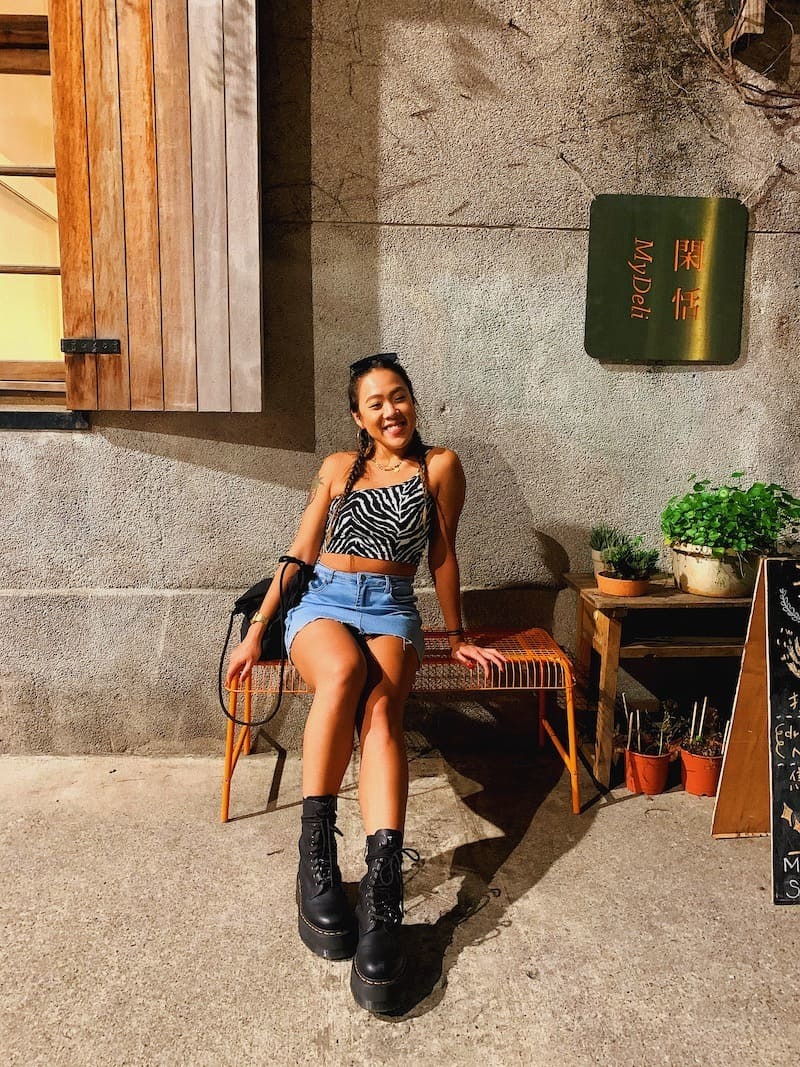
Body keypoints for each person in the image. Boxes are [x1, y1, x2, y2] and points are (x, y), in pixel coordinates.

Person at [225, 353, 506, 1014]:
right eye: (375, 402)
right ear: (359, 417)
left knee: (381, 715)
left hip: (390, 605)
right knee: (344, 673)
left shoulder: (440, 467)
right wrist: (257, 629)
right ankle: (316, 856)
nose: (390, 410)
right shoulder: (336, 468)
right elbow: (300, 552)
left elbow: (442, 553)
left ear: (413, 401)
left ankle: (382, 892)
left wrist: (458, 634)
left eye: (399, 396)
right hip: (321, 601)